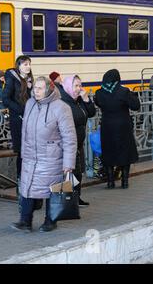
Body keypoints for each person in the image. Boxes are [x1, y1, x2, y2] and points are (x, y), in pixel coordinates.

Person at [11, 76, 77, 232]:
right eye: (35, 88)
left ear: (49, 89)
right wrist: (23, 153)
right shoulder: (30, 104)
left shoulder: (61, 107)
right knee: (27, 187)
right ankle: (25, 221)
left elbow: (69, 137)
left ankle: (50, 220)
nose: (36, 91)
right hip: (31, 156)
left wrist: (68, 164)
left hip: (51, 157)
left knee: (52, 190)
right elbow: (24, 131)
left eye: (40, 88)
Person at [94, 69, 140, 189]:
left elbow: (98, 103)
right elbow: (136, 106)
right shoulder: (123, 91)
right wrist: (131, 94)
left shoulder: (99, 93)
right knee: (125, 153)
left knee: (108, 152)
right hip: (123, 127)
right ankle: (124, 182)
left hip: (107, 127)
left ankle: (110, 182)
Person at [59, 75, 96, 207]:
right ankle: (66, 200)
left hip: (78, 143)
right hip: (67, 145)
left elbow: (91, 113)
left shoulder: (79, 101)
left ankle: (76, 197)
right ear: (68, 86)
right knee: (69, 174)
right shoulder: (63, 102)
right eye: (76, 86)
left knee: (78, 173)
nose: (79, 89)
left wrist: (86, 100)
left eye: (80, 85)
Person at [2, 56, 34, 181]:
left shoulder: (28, 79)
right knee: (22, 152)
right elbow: (5, 99)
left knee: (29, 152)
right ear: (18, 66)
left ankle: (28, 179)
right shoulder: (12, 79)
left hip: (29, 119)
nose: (28, 67)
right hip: (18, 120)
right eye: (25, 64)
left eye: (29, 64)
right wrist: (21, 110)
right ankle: (21, 181)